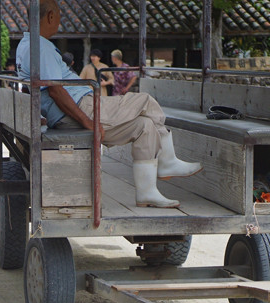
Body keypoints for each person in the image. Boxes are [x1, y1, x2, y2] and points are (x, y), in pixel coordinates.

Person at [15, 0, 202, 208]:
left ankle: (146, 192)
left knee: (145, 127)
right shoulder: (40, 47)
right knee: (145, 101)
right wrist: (88, 122)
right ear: (50, 16)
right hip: (80, 108)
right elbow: (56, 90)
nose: (59, 21)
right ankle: (167, 162)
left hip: (75, 109)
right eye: (58, 16)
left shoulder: (27, 45)